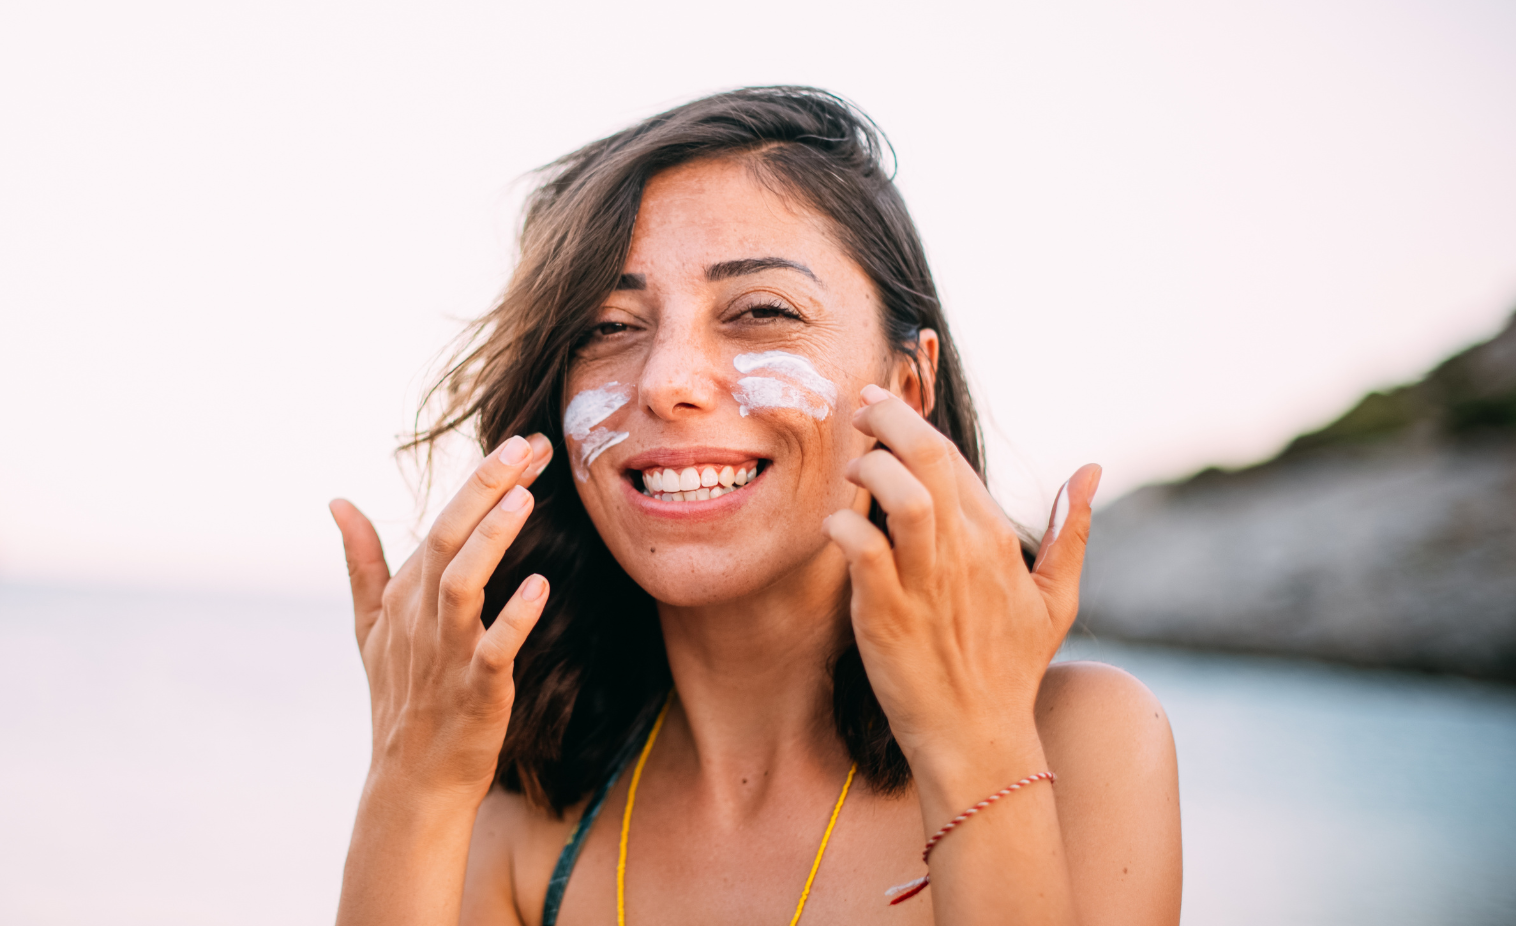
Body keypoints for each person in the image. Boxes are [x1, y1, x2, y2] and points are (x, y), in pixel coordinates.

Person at [328, 87, 1181, 926]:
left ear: (907, 386)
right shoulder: (520, 811)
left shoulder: (1078, 748)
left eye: (761, 312)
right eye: (609, 327)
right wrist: (411, 781)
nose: (666, 383)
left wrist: (977, 754)